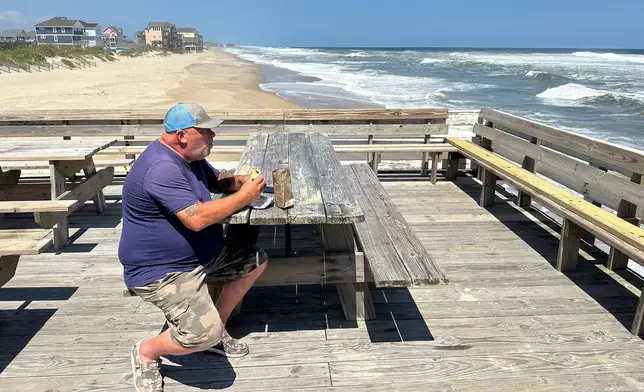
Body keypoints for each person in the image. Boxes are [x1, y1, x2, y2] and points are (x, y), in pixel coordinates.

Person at [118, 103, 268, 392]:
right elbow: (197, 219)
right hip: (162, 271)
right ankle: (147, 351)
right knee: (199, 336)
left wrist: (241, 182)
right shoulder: (161, 167)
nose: (212, 135)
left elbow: (218, 181)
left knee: (254, 260)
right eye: (206, 131)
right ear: (183, 135)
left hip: (201, 256)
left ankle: (218, 330)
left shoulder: (190, 158)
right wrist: (246, 196)